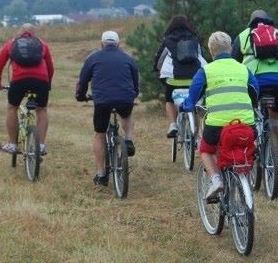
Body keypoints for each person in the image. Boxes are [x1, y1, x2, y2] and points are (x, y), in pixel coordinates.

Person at [181, 31, 259, 201]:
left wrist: (187, 106)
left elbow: (193, 95)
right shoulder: (243, 69)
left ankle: (216, 180)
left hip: (218, 125)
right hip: (246, 123)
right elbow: (255, 91)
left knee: (205, 150)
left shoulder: (206, 70)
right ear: (230, 48)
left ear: (211, 50)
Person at [76, 31, 139, 186]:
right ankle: (129, 139)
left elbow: (83, 80)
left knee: (100, 134)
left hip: (102, 100)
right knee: (126, 114)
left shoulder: (93, 58)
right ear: (118, 44)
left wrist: (81, 95)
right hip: (125, 98)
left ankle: (101, 174)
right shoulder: (127, 57)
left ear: (101, 44)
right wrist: (133, 94)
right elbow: (135, 79)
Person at [231, 9, 278, 154]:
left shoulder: (244, 36)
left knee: (249, 114)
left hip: (254, 81)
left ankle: (250, 151)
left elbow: (233, 61)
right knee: (277, 116)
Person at [0, 23, 54, 156]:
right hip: (41, 80)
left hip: (19, 80)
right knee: (42, 110)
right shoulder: (42, 44)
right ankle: (41, 146)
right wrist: (47, 84)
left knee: (12, 108)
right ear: (34, 33)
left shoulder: (11, 44)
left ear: (20, 32)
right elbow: (50, 67)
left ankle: (13, 145)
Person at [152, 15, 207, 138]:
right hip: (194, 78)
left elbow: (159, 60)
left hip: (174, 80)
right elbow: (201, 57)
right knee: (195, 103)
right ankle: (197, 136)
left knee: (169, 99)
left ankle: (173, 124)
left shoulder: (167, 41)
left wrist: (156, 68)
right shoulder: (195, 40)